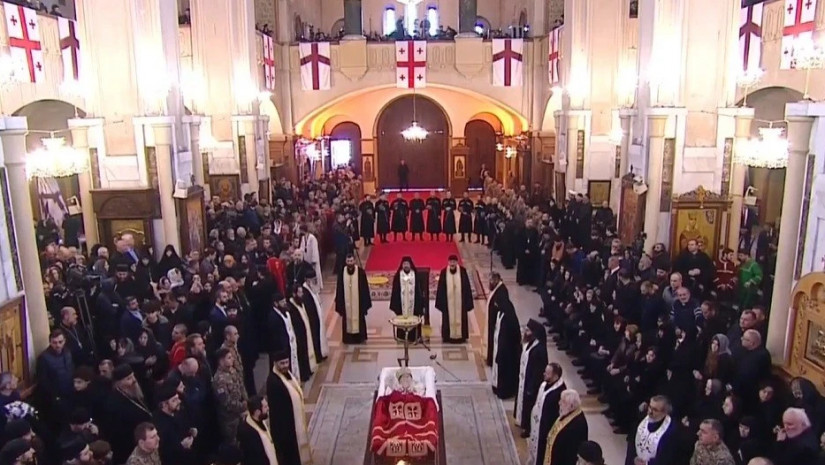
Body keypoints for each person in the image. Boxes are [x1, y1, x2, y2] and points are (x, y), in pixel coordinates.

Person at [266, 350, 312, 465]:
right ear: (275, 363)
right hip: (284, 427)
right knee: (289, 455)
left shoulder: (286, 374)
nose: (285, 366)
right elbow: (277, 410)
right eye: (282, 363)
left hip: (292, 422)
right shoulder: (273, 382)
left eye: (287, 362)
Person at [526, 363, 566, 465]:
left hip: (546, 428)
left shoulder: (559, 392)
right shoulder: (544, 384)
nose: (544, 374)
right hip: (538, 423)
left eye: (547, 373)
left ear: (555, 376)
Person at [515, 319, 549, 438]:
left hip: (532, 384)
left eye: (528, 331)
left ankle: (528, 428)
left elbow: (538, 371)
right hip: (524, 379)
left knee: (530, 406)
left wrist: (532, 386)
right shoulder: (529, 344)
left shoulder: (539, 350)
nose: (526, 332)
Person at [626, 395, 678, 465]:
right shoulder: (641, 418)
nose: (650, 412)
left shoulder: (671, 430)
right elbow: (631, 440)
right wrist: (633, 458)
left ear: (664, 412)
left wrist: (647, 463)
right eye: (650, 407)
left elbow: (666, 455)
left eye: (655, 410)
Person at [434, 255, 474, 343]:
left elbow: (467, 287)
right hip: (448, 303)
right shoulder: (444, 272)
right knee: (447, 318)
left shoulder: (462, 271)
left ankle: (461, 336)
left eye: (454, 262)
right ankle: (447, 336)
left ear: (457, 262)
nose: (452, 263)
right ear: (448, 262)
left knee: (461, 317)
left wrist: (467, 302)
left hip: (461, 302)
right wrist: (441, 303)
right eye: (451, 262)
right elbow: (441, 288)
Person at [334, 254, 372, 344]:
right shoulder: (342, 273)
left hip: (358, 305)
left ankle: (360, 338)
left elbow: (364, 289)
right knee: (347, 320)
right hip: (346, 305)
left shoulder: (360, 273)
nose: (350, 263)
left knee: (359, 320)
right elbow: (339, 289)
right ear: (345, 262)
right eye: (348, 261)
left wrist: (365, 304)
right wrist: (339, 303)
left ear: (354, 261)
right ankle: (348, 338)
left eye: (351, 261)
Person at [544, 389, 589, 465]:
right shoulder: (568, 413)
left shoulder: (577, 425)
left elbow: (571, 452)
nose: (559, 403)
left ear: (571, 405)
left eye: (563, 401)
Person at [389, 257, 427, 341]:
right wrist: (396, 305)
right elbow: (395, 291)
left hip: (414, 305)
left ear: (410, 265)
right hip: (401, 304)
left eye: (407, 264)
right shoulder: (398, 276)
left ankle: (415, 337)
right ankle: (401, 337)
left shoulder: (415, 275)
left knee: (415, 316)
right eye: (404, 264)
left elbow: (419, 291)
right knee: (401, 316)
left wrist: (421, 305)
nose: (406, 266)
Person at [491, 295, 521, 399]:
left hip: (507, 351)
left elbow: (511, 336)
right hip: (499, 347)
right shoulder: (501, 313)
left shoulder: (509, 318)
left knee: (506, 371)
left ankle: (505, 391)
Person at [237, 396, 279, 465]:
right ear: (257, 412)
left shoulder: (259, 419)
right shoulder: (248, 433)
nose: (268, 408)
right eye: (265, 407)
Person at [295, 279, 328, 363]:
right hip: (312, 321)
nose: (314, 282)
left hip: (316, 319)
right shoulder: (306, 293)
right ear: (308, 281)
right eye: (313, 280)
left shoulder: (312, 289)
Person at [486, 272, 511, 367]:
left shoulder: (502, 291)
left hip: (496, 321)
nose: (490, 282)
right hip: (492, 320)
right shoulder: (496, 288)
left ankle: (492, 359)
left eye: (491, 280)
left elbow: (502, 307)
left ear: (496, 280)